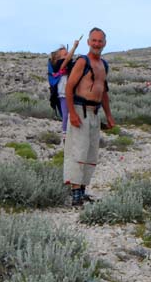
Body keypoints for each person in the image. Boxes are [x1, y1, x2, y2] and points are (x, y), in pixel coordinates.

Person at [64, 27, 115, 206]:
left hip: (95, 113)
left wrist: (108, 115)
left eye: (100, 41)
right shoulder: (82, 62)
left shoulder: (104, 65)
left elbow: (104, 92)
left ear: (105, 43)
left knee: (91, 152)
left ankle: (83, 189)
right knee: (78, 151)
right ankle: (75, 193)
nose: (97, 44)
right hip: (80, 110)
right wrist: (72, 113)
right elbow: (69, 87)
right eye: (94, 40)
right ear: (88, 42)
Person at [49, 39, 81, 139]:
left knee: (71, 112)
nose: (67, 55)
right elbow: (67, 60)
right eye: (65, 54)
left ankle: (71, 131)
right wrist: (74, 47)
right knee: (65, 113)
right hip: (63, 91)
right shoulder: (59, 64)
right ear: (58, 57)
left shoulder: (67, 65)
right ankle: (64, 133)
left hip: (70, 91)